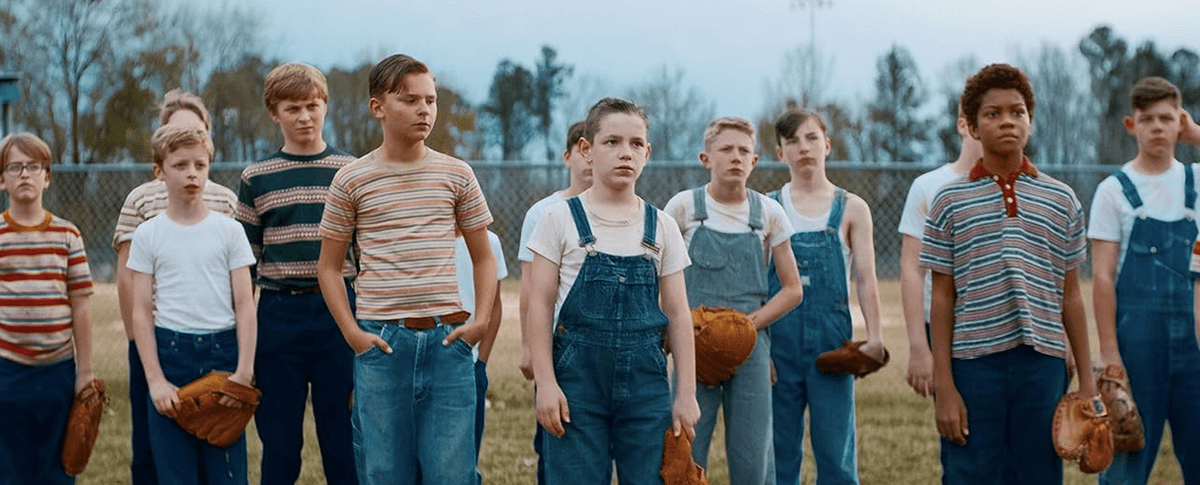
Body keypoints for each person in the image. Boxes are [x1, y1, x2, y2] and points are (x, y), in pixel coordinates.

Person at [316, 53, 497, 485]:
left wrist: (481, 322)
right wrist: (354, 335)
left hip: (448, 343)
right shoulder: (352, 179)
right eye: (410, 100)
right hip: (383, 343)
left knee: (452, 473)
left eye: (430, 100)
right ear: (378, 107)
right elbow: (328, 267)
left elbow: (484, 256)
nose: (424, 110)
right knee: (384, 471)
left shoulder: (456, 174)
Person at [921, 63, 1098, 484]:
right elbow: (942, 297)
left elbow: (1071, 295)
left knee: (1037, 472)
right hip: (972, 365)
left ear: (1030, 122)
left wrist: (1088, 381)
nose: (1007, 122)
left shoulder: (1062, 199)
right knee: (971, 472)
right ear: (972, 127)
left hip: (1042, 363)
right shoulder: (949, 201)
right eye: (993, 113)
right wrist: (944, 386)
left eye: (1017, 112)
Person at [525, 97, 700, 485]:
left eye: (636, 144)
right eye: (612, 142)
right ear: (586, 150)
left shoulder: (662, 226)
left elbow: (678, 313)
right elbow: (539, 304)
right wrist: (547, 384)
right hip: (576, 385)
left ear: (648, 152)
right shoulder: (559, 219)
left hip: (646, 386)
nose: (625, 153)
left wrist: (685, 393)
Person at [235, 62, 359, 485]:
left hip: (338, 313)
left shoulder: (351, 171)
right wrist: (244, 342)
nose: (305, 116)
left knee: (343, 440)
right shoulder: (256, 177)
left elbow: (367, 257)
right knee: (281, 445)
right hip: (278, 316)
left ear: (326, 106)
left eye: (313, 105)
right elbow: (245, 266)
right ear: (274, 113)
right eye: (293, 108)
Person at [663, 116, 802, 485]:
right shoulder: (683, 208)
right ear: (706, 158)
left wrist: (744, 327)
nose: (735, 157)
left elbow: (792, 289)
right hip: (693, 344)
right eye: (725, 149)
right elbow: (659, 277)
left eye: (744, 151)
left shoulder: (768, 214)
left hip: (751, 346)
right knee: (687, 446)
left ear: (755, 161)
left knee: (752, 454)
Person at [111, 89, 237, 485]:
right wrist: (138, 340)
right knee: (154, 443)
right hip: (157, 339)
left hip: (213, 335)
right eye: (175, 132)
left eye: (195, 132)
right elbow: (127, 275)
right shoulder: (141, 200)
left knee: (214, 437)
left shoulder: (226, 201)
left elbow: (237, 279)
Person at [128, 125, 257, 485]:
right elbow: (141, 311)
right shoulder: (148, 234)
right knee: (175, 474)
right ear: (159, 171)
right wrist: (155, 381)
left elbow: (245, 304)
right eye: (180, 165)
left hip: (223, 356)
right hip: (171, 356)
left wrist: (244, 372)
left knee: (227, 474)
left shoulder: (229, 231)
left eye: (200, 165)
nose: (192, 174)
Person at [768, 108, 887, 485]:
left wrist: (876, 337)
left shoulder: (852, 208)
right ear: (779, 153)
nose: (803, 148)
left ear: (827, 145)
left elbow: (866, 278)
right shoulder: (769, 207)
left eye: (811, 138)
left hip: (831, 341)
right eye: (792, 141)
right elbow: (758, 285)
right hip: (778, 343)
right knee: (778, 452)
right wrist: (760, 349)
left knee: (836, 452)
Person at [1090, 76, 1200, 485]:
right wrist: (1110, 355)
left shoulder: (1197, 180)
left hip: (1196, 348)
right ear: (1130, 124)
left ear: (1181, 122)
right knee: (1125, 468)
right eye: (1147, 118)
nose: (1157, 127)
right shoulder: (1113, 191)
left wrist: (1196, 136)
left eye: (1167, 118)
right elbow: (1101, 277)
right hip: (1136, 351)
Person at [0, 133, 95, 485]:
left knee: (55, 468)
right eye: (15, 166)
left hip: (56, 372)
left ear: (47, 176)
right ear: (2, 178)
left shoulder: (67, 235)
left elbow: (81, 308)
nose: (25, 174)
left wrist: (84, 373)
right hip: (7, 370)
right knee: (8, 467)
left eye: (33, 166)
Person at [517, 119, 592, 484]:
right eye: (584, 149)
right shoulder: (543, 212)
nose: (593, 158)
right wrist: (529, 347)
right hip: (558, 348)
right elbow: (530, 288)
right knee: (555, 436)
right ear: (568, 156)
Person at [898, 104, 983, 397]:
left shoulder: (1018, 188)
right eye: (987, 115)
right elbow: (912, 269)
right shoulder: (928, 187)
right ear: (963, 125)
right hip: (943, 327)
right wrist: (919, 347)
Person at [451, 230, 507, 484]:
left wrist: (481, 362)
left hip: (468, 363)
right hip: (425, 358)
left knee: (464, 460)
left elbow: (494, 306)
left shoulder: (489, 242)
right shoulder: (425, 237)